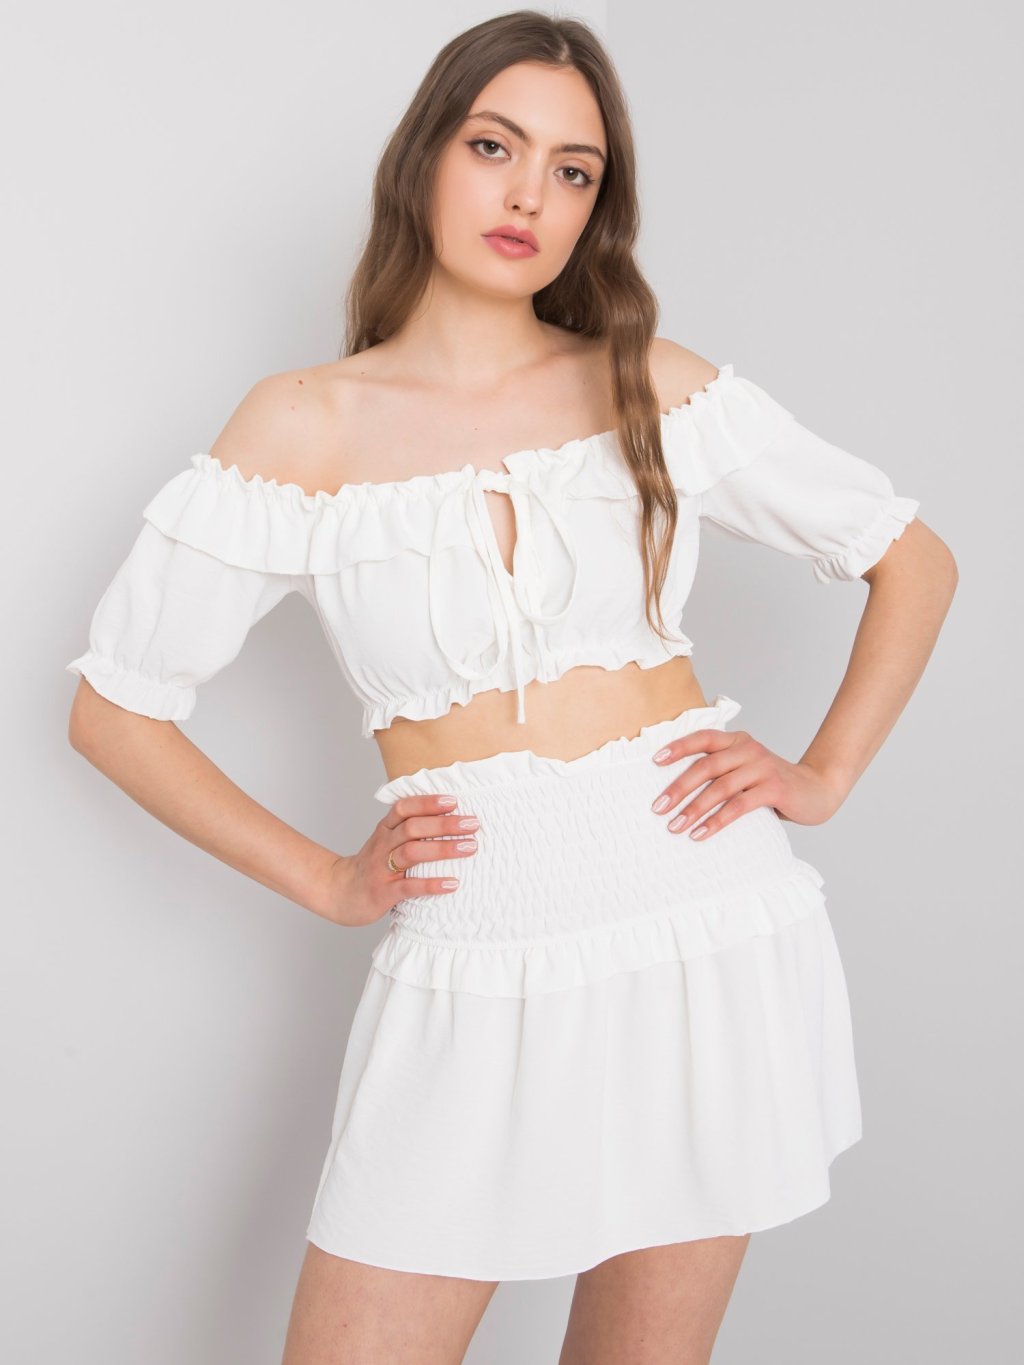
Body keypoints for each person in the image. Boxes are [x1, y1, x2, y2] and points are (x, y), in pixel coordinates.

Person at [64, 11, 957, 1365]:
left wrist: (822, 774)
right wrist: (329, 879)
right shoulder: (300, 423)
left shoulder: (645, 386)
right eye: (496, 147)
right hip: (474, 951)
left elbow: (912, 559)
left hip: (703, 922)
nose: (530, 194)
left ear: (597, 206)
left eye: (573, 169)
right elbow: (115, 707)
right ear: (427, 155)